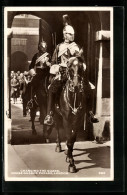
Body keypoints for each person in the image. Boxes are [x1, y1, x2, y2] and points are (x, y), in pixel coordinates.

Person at [44, 14, 99, 126]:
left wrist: (81, 65)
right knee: (52, 88)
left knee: (90, 88)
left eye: (72, 34)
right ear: (65, 35)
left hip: (75, 73)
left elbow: (82, 61)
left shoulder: (76, 47)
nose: (72, 36)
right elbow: (54, 62)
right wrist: (58, 67)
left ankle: (90, 113)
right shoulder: (59, 47)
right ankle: (49, 114)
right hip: (63, 72)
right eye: (69, 34)